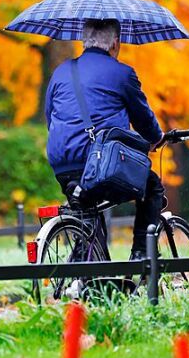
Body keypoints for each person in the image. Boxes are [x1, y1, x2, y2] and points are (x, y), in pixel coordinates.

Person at [44, 18, 166, 258]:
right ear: (115, 43)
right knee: (152, 187)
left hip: (63, 162)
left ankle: (94, 283)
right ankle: (142, 253)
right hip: (102, 164)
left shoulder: (61, 72)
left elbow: (51, 117)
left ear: (83, 41)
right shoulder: (122, 73)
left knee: (89, 217)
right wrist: (157, 138)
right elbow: (143, 120)